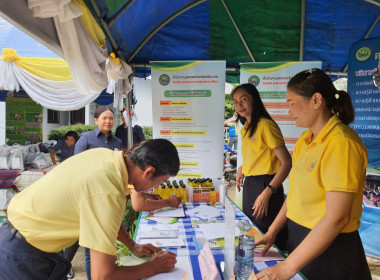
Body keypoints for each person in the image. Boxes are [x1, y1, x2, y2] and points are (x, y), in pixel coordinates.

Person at [0, 139, 180, 280]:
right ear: (148, 172)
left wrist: (132, 246)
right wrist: (153, 267)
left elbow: (104, 219)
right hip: (21, 256)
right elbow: (102, 276)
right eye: (160, 182)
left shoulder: (106, 157)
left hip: (19, 239)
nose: (154, 188)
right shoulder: (107, 190)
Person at [255, 69, 371, 280]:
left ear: (316, 100)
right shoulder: (305, 140)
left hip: (331, 251)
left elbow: (337, 218)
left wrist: (286, 268)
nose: (289, 111)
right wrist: (272, 231)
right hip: (302, 242)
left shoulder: (341, 143)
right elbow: (295, 195)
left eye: (292, 103)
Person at [233, 83, 292, 250]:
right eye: (236, 102)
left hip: (267, 186)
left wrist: (267, 192)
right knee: (251, 233)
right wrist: (242, 168)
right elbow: (257, 155)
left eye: (244, 100)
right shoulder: (246, 128)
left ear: (255, 100)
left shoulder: (266, 125)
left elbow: (287, 162)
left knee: (267, 238)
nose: (239, 105)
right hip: (251, 185)